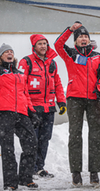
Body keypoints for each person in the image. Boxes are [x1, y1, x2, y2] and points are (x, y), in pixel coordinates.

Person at [0, 23, 39, 190]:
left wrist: (32, 112)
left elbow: (25, 94)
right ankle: (10, 183)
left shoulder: (19, 74)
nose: (10, 53)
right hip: (2, 112)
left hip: (21, 112)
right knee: (7, 148)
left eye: (12, 52)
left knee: (31, 143)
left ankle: (25, 178)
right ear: (1, 57)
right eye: (6, 52)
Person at [54, 21, 100, 186]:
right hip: (75, 98)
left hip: (93, 99)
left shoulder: (97, 56)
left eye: (86, 37)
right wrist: (70, 29)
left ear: (89, 39)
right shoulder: (70, 54)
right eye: (80, 37)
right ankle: (76, 173)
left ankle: (94, 171)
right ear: (75, 40)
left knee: (96, 135)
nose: (83, 39)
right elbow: (57, 45)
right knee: (75, 135)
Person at [18, 34, 66, 178]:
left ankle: (39, 167)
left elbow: (57, 83)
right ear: (34, 46)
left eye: (45, 43)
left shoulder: (52, 63)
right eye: (40, 44)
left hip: (49, 108)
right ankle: (30, 168)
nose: (43, 46)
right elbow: (21, 85)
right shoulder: (26, 62)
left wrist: (61, 101)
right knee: (32, 139)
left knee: (45, 139)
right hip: (33, 108)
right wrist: (26, 105)